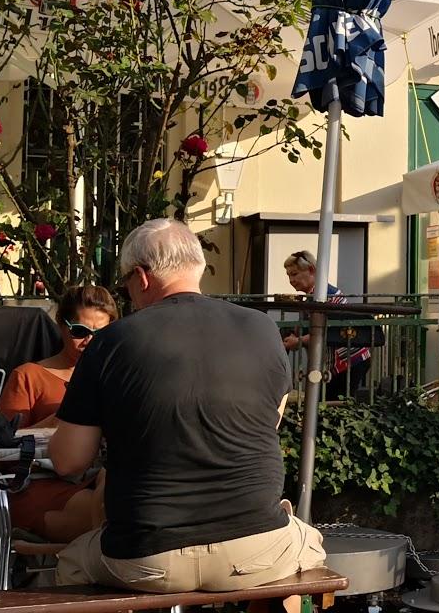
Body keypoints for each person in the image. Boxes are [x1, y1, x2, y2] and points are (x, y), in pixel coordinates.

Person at [50, 218, 325, 592]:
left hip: (147, 556)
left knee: (71, 563)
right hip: (255, 550)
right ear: (195, 265)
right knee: (308, 544)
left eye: (127, 284)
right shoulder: (263, 329)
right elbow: (269, 421)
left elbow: (69, 461)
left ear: (142, 277)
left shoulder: (112, 342)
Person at [0, 285, 118, 542]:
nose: (90, 341)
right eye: (80, 331)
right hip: (39, 483)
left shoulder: (117, 376)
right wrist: (65, 415)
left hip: (99, 477)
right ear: (61, 327)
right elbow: (1, 447)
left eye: (102, 332)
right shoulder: (29, 376)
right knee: (114, 510)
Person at [282, 250, 371, 401]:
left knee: (333, 403)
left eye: (295, 274)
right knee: (328, 402)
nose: (291, 280)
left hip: (347, 362)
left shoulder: (324, 296)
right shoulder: (315, 295)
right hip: (342, 362)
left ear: (311, 270)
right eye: (289, 275)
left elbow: (324, 332)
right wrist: (295, 335)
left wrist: (297, 341)